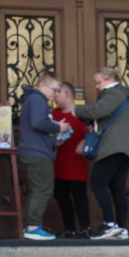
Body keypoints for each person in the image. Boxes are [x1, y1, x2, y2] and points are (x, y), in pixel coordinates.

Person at [74, 66, 129, 240]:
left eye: (98, 82)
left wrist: (74, 110)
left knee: (97, 183)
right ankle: (121, 228)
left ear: (108, 80)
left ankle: (109, 224)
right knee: (117, 188)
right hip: (124, 148)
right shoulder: (122, 93)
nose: (96, 87)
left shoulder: (113, 92)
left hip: (115, 147)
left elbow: (98, 110)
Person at [18, 70, 70, 241]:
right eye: (54, 89)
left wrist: (53, 132)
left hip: (35, 150)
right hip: (38, 153)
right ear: (42, 85)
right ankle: (33, 227)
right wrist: (58, 128)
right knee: (43, 189)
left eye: (57, 91)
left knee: (38, 189)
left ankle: (33, 225)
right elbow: (38, 123)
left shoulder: (34, 100)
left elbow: (37, 125)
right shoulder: (38, 99)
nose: (55, 94)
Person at [51, 82, 91, 238]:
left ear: (66, 94)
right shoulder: (53, 114)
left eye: (57, 93)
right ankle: (69, 228)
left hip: (77, 166)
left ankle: (85, 227)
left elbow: (92, 136)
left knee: (80, 198)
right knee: (62, 198)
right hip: (58, 165)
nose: (54, 96)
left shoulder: (83, 116)